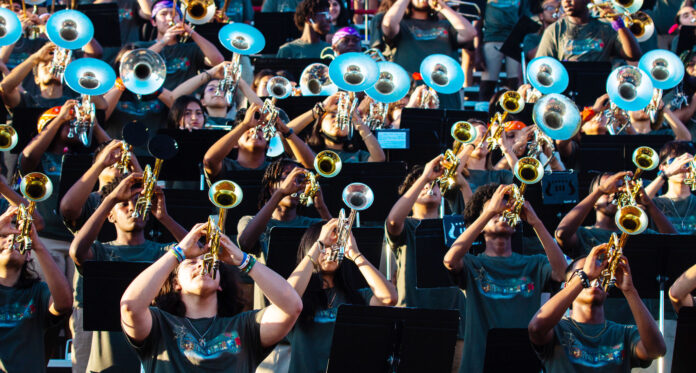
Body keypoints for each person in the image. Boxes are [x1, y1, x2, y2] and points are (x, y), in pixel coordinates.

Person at [119, 223, 304, 372]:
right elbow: (130, 307)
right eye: (191, 263)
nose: (202, 266)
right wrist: (178, 252)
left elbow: (291, 306)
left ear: (220, 282)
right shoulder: (160, 323)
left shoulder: (245, 326)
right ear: (176, 283)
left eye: (210, 263)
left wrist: (243, 260)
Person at [69, 173, 188, 372]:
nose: (133, 208)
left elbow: (197, 252)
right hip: (107, 359)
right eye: (124, 205)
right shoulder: (100, 251)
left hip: (155, 354)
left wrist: (165, 218)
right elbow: (77, 252)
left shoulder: (163, 252)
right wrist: (111, 199)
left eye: (140, 203)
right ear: (110, 215)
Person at [443, 183, 567, 373]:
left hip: (523, 364)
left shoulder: (534, 264)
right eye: (495, 211)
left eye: (506, 211)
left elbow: (561, 273)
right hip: (477, 366)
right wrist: (489, 211)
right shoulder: (472, 264)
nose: (500, 214)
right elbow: (450, 260)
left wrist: (536, 222)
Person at [528, 247, 666, 371]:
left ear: (607, 290)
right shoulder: (558, 329)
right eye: (582, 273)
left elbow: (657, 350)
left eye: (600, 275)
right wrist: (584, 277)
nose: (594, 279)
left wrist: (630, 290)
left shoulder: (624, 334)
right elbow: (536, 327)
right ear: (567, 286)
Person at [286, 220, 397, 373]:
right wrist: (319, 244)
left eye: (336, 246)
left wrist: (355, 253)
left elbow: (389, 298)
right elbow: (286, 296)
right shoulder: (300, 296)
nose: (330, 252)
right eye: (324, 247)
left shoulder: (358, 296)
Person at [0, 207, 73, 372]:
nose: (11, 240)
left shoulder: (38, 291)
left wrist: (38, 246)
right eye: (4, 236)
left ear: (27, 255)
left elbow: (64, 303)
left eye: (18, 238)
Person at [554, 171, 677, 258]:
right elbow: (561, 234)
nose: (614, 194)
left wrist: (649, 204)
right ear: (594, 200)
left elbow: (674, 242)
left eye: (619, 190)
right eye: (608, 191)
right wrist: (600, 190)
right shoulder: (583, 233)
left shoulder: (640, 233)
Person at [381, 0, 476, 109]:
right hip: (407, 98)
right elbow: (388, 25)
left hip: (445, 99)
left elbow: (470, 33)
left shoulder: (446, 25)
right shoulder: (401, 25)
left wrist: (442, 6)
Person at [203, 103, 315, 179]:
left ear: (268, 144)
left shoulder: (278, 168)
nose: (254, 131)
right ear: (235, 143)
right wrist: (244, 124)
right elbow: (209, 160)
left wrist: (286, 131)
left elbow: (310, 165)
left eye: (260, 129)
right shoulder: (226, 166)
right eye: (248, 129)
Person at [143, 0, 224, 90]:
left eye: (175, 14)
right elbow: (137, 62)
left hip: (184, 102)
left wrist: (191, 32)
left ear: (181, 20)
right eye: (163, 14)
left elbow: (218, 61)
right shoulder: (141, 47)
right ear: (153, 22)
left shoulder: (191, 48)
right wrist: (163, 41)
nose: (170, 18)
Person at [289, 94, 386, 162]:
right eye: (332, 116)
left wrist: (357, 120)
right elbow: (284, 131)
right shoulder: (306, 150)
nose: (338, 120)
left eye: (344, 118)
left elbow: (379, 159)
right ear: (319, 126)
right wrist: (320, 108)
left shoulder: (358, 154)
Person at [534, 0, 641, 61]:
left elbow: (634, 56)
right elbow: (541, 66)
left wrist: (618, 23)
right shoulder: (553, 31)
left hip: (600, 90)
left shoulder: (606, 29)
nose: (566, 1)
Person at [477, 0, 530, 99]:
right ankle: (482, 109)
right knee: (488, 81)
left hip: (513, 40)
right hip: (492, 39)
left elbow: (525, 17)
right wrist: (478, 51)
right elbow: (478, 23)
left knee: (514, 80)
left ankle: (513, 108)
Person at [644, 141, 696, 234]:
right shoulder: (654, 203)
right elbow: (634, 205)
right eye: (673, 161)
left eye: (687, 162)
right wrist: (666, 174)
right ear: (662, 167)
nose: (681, 166)